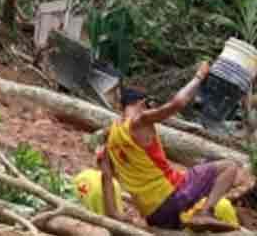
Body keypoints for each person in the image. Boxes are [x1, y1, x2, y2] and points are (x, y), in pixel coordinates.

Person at [98, 61, 241, 232]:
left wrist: (114, 214)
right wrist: (199, 77)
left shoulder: (111, 137)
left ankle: (198, 216)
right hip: (173, 196)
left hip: (154, 215)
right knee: (230, 167)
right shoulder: (140, 120)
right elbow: (177, 104)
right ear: (143, 103)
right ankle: (205, 213)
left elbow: (106, 176)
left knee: (193, 175)